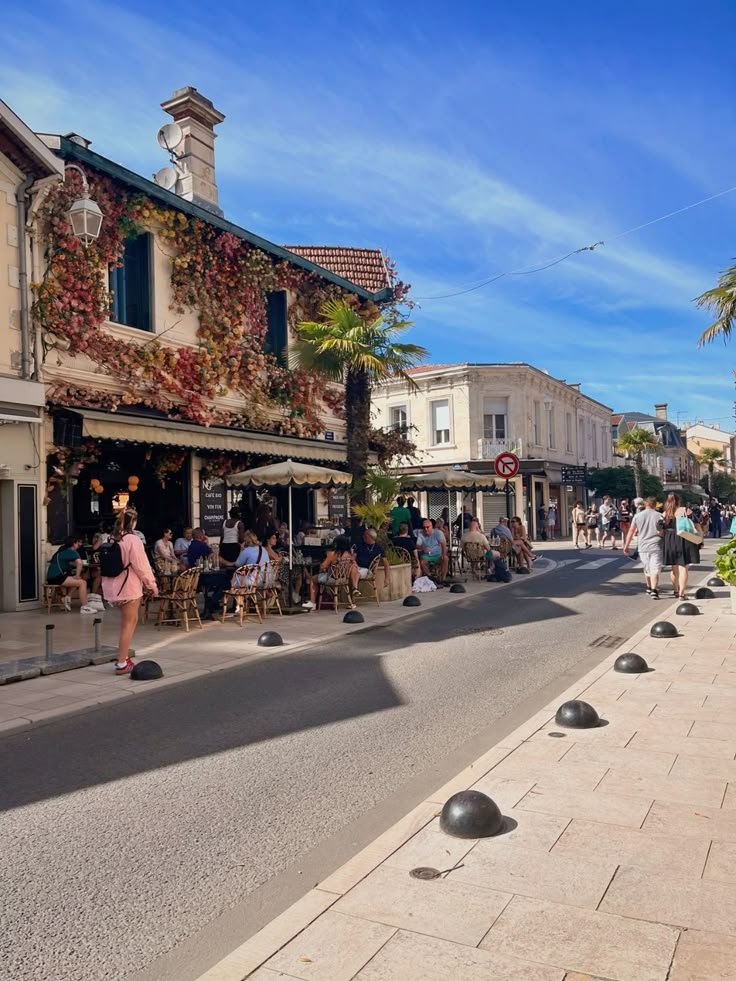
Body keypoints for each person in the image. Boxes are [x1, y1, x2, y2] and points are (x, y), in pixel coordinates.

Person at [101, 509, 157, 675]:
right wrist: (151, 584)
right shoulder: (133, 539)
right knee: (128, 624)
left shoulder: (112, 538)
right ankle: (122, 662)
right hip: (128, 585)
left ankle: (123, 658)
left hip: (113, 586)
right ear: (133, 522)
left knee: (128, 622)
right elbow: (141, 564)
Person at [662, 492, 701, 600]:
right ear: (679, 501)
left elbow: (659, 527)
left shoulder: (665, 513)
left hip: (670, 541)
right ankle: (682, 594)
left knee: (673, 568)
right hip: (684, 539)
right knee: (684, 568)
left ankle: (675, 590)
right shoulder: (686, 511)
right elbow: (697, 525)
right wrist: (700, 538)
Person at [623, 496, 663, 599]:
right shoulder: (660, 516)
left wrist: (626, 545)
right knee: (655, 568)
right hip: (656, 544)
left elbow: (631, 531)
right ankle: (654, 589)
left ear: (645, 504)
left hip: (643, 546)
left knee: (647, 567)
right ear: (654, 505)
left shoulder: (638, 516)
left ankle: (649, 587)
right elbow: (663, 531)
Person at [46, 534, 92, 612]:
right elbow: (79, 563)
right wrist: (77, 575)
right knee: (82, 582)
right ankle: (85, 607)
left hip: (51, 577)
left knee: (78, 580)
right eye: (78, 542)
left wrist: (76, 575)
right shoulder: (73, 551)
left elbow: (70, 563)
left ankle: (66, 597)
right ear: (74, 543)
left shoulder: (63, 551)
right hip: (57, 577)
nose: (79, 544)